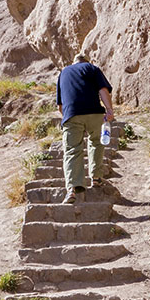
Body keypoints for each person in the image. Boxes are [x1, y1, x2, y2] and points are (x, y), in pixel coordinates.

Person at [55, 53, 114, 204]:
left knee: (72, 150)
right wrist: (109, 110)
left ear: (74, 62)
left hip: (71, 114)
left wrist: (70, 118)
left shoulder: (63, 73)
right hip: (94, 112)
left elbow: (60, 106)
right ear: (86, 61)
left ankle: (72, 189)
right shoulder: (92, 68)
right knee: (96, 141)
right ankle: (96, 178)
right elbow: (102, 90)